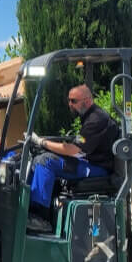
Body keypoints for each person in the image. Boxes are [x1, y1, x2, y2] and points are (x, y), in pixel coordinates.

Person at [26, 84, 119, 230]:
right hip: (89, 161)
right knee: (38, 158)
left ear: (87, 101)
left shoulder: (96, 120)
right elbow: (78, 145)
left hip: (97, 168)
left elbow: (73, 150)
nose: (70, 104)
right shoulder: (89, 117)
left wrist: (41, 142)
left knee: (46, 161)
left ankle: (41, 218)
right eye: (69, 100)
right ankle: (29, 207)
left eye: (74, 101)